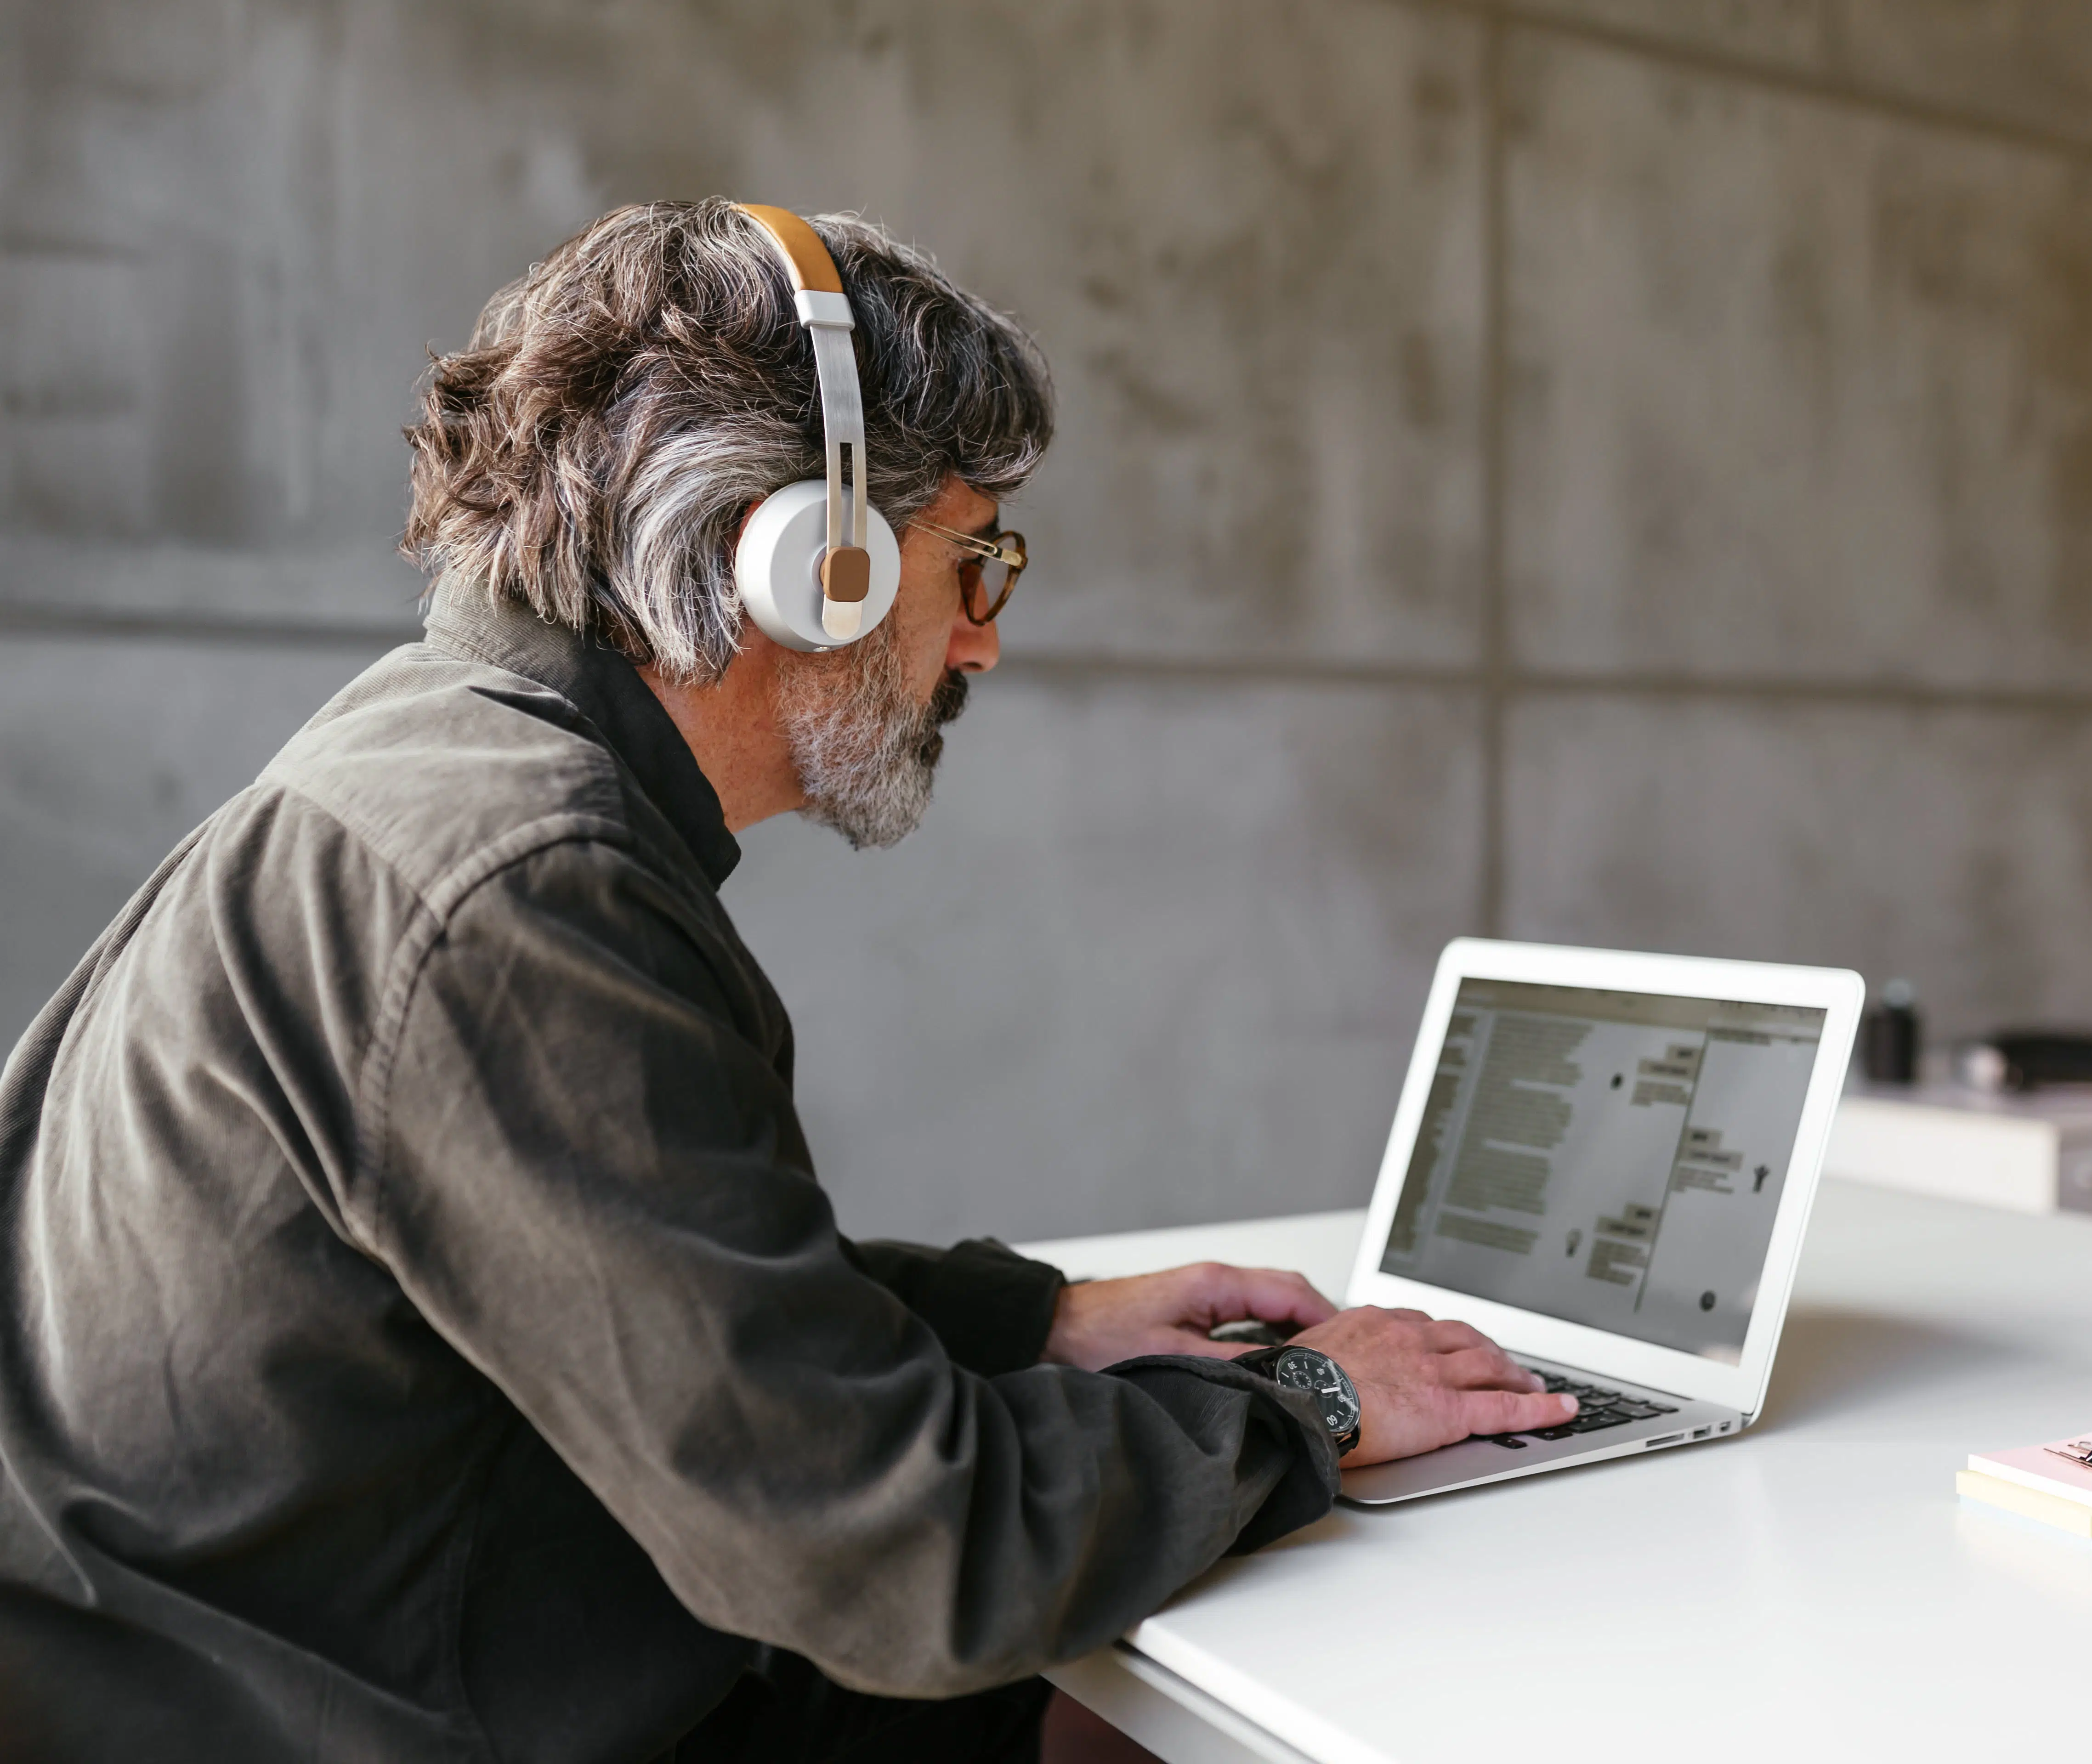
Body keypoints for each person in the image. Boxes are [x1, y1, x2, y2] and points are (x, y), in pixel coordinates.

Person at [0, 199, 1574, 1762]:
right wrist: (1314, 1400)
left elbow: (624, 1288)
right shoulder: (520, 889)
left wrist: (1034, 1323)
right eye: (978, 563)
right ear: (807, 557)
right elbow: (903, 1561)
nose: (982, 647)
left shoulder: (429, 763)